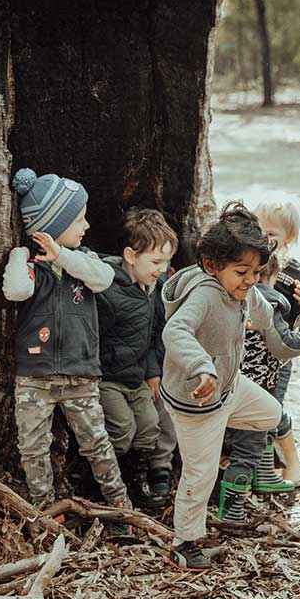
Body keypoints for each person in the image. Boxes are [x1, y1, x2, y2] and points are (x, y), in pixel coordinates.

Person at [161, 201, 283, 570]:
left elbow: (259, 310)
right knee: (201, 474)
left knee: (271, 414)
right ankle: (186, 543)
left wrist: (274, 315)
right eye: (242, 271)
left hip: (228, 390)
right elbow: (175, 330)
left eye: (256, 272)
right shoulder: (204, 295)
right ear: (213, 266)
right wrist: (203, 368)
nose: (250, 279)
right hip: (198, 400)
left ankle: (218, 437)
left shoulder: (240, 289)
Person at [2, 167, 131, 514]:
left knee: (97, 445)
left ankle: (121, 508)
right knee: (33, 448)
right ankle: (44, 511)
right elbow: (16, 291)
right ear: (54, 227)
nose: (86, 227)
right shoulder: (29, 266)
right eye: (79, 220)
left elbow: (103, 279)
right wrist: (19, 254)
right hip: (35, 376)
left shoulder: (85, 261)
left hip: (80, 374)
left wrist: (62, 256)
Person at [219, 253, 300, 522]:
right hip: (258, 390)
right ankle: (232, 512)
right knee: (247, 448)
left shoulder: (231, 294)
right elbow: (283, 343)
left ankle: (265, 476)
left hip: (233, 381)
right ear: (273, 276)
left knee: (251, 438)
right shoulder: (273, 301)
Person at [96, 208, 177, 505]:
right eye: (155, 261)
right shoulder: (108, 288)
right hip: (109, 377)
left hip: (138, 375)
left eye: (166, 261)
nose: (161, 268)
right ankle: (106, 481)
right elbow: (95, 335)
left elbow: (156, 333)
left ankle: (136, 479)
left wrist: (152, 371)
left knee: (149, 426)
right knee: (123, 429)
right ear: (131, 256)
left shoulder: (153, 290)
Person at [253, 193, 300, 484]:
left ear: (289, 237)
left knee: (272, 406)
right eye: (259, 230)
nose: (265, 238)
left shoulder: (294, 270)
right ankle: (262, 464)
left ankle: (287, 460)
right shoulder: (250, 261)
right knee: (253, 406)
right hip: (251, 350)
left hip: (281, 352)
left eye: (272, 234)